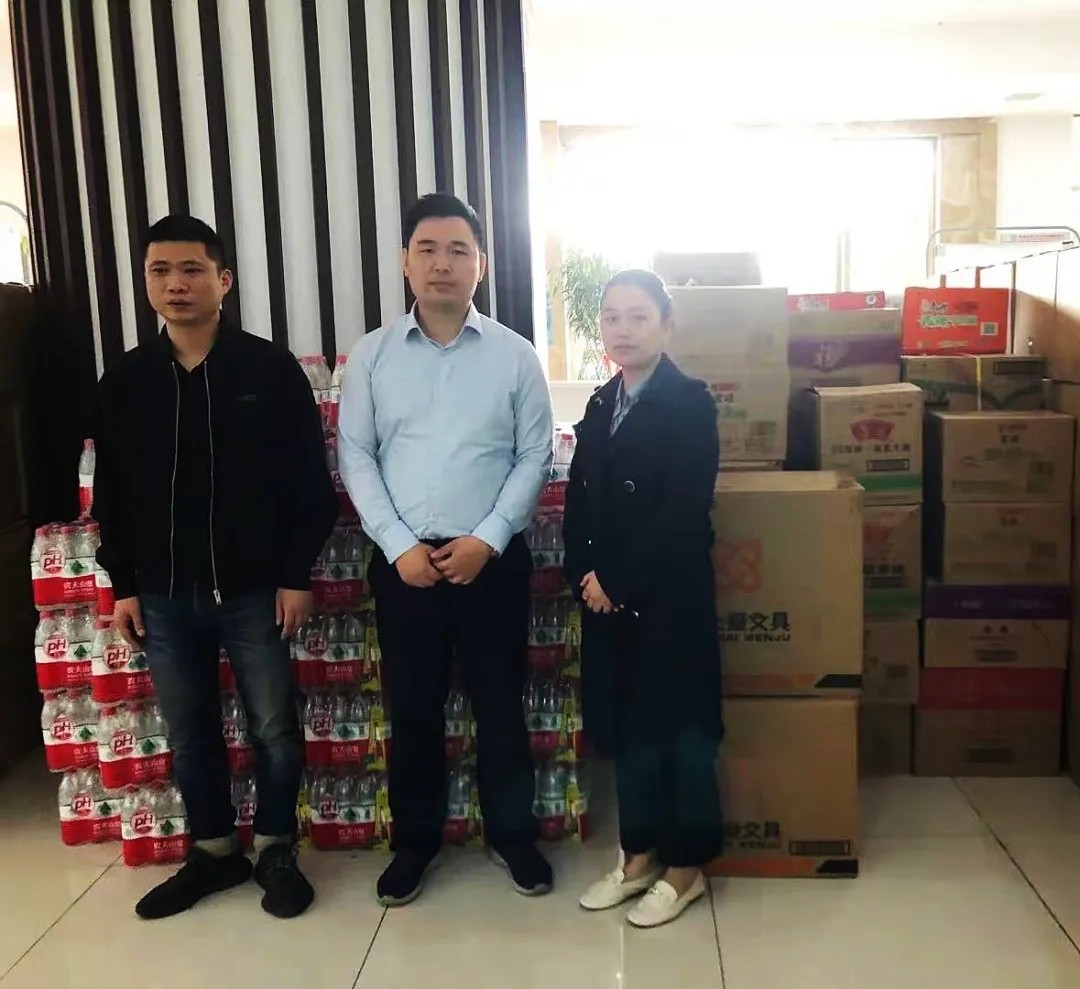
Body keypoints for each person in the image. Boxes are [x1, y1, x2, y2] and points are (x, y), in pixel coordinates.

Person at [93, 215, 338, 920]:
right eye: (160, 270)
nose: (176, 283)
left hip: (255, 589)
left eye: (192, 269)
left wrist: (295, 574)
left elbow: (309, 485)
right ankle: (213, 851)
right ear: (146, 283)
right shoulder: (126, 382)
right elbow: (112, 494)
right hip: (163, 595)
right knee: (190, 731)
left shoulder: (269, 371)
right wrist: (124, 584)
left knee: (273, 728)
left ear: (223, 281)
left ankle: (276, 848)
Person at [338, 192, 554, 906]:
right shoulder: (372, 356)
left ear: (480, 265)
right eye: (427, 249)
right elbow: (356, 455)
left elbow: (534, 455)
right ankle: (416, 843)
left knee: (501, 704)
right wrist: (399, 545)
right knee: (414, 708)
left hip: (489, 563)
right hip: (405, 568)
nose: (442, 263)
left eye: (458, 250)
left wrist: (487, 538)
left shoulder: (515, 356)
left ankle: (512, 834)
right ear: (405, 262)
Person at [563, 269, 724, 929]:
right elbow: (579, 498)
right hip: (606, 598)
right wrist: (584, 572)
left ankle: (686, 871)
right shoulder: (603, 401)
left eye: (637, 317)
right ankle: (638, 857)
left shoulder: (690, 403)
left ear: (665, 325)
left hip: (669, 597)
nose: (622, 330)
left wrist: (618, 579)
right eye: (611, 317)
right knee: (629, 731)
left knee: (681, 733)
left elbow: (681, 511)